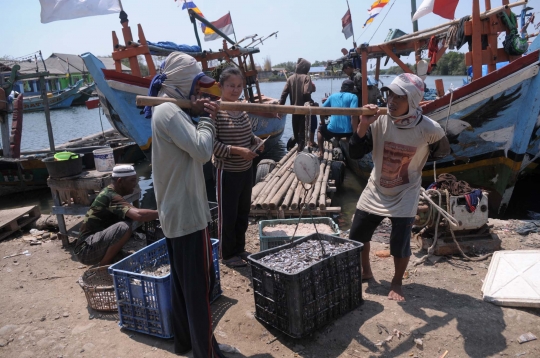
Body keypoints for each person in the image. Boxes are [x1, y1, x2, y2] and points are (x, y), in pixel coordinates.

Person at [348, 73, 450, 302]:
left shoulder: (428, 129)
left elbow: (442, 150)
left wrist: (417, 162)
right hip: (376, 187)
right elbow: (354, 153)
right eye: (389, 94)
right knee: (357, 234)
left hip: (406, 191)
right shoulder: (379, 121)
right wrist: (364, 125)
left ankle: (396, 282)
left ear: (412, 102)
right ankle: (366, 271)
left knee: (399, 243)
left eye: (399, 97)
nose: (391, 101)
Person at [150, 52, 226, 357]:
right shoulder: (169, 111)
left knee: (184, 289)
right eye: (195, 86)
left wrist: (194, 112)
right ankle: (205, 351)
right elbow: (202, 150)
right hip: (188, 217)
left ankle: (185, 343)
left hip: (175, 215)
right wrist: (208, 119)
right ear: (182, 82)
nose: (199, 92)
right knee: (199, 293)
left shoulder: (167, 110)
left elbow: (187, 138)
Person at [205, 67, 264, 268]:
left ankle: (239, 248)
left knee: (242, 212)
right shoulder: (215, 111)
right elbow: (212, 145)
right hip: (226, 172)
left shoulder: (241, 107)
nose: (235, 90)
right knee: (227, 215)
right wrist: (239, 151)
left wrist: (257, 141)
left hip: (246, 169)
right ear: (220, 86)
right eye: (231, 86)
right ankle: (227, 254)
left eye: (239, 86)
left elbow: (248, 135)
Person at [74, 165, 159, 266]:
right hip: (85, 251)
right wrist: (162, 213)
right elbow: (138, 215)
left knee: (127, 222)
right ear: (120, 181)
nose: (135, 184)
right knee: (123, 227)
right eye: (132, 180)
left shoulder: (113, 194)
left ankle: (113, 257)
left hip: (92, 245)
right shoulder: (110, 196)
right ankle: (104, 266)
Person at [317, 79, 358, 158]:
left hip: (332, 130)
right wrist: (354, 133)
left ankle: (321, 152)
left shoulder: (332, 96)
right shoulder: (353, 97)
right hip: (348, 132)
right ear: (351, 89)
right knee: (352, 131)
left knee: (320, 129)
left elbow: (321, 110)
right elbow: (354, 115)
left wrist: (322, 122)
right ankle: (351, 151)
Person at [279, 58, 313, 151]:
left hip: (294, 111)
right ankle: (300, 152)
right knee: (302, 134)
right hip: (303, 110)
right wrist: (310, 101)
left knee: (296, 132)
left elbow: (283, 95)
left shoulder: (290, 79)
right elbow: (306, 92)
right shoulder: (306, 78)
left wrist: (279, 109)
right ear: (306, 68)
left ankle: (299, 150)